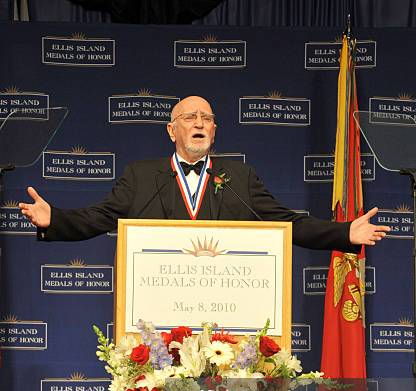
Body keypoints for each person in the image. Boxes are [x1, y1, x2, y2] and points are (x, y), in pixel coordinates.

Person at [19, 95, 390, 248]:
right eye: (189, 117)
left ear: (214, 131)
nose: (199, 123)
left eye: (206, 118)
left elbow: (287, 222)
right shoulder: (141, 176)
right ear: (172, 130)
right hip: (158, 317)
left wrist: (344, 232)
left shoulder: (240, 178)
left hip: (226, 317)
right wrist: (54, 220)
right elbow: (98, 218)